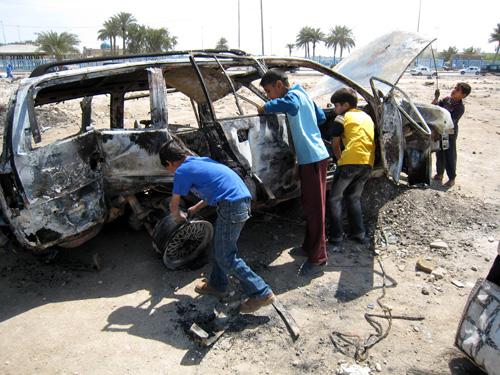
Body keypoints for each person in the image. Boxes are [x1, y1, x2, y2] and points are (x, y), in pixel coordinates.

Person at [159, 140, 275, 314]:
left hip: (232, 205)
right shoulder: (201, 161)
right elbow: (216, 188)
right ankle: (217, 285)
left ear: (170, 163)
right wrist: (196, 208)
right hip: (239, 200)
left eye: (167, 168)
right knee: (221, 247)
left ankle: (261, 293)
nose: (170, 171)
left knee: (226, 256)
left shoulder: (182, 170)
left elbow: (174, 204)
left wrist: (178, 216)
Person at [257, 68, 329, 276]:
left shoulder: (293, 97)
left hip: (313, 158)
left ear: (279, 85)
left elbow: (290, 104)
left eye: (269, 91)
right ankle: (308, 247)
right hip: (313, 157)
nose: (269, 96)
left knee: (316, 210)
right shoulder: (304, 94)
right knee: (309, 206)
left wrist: (266, 107)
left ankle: (318, 258)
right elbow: (321, 117)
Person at [327, 88, 375, 246]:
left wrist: (339, 159)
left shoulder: (342, 117)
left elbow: (335, 143)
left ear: (345, 105)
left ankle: (336, 236)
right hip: (368, 162)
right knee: (353, 197)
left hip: (350, 162)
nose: (334, 109)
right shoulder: (366, 116)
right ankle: (359, 233)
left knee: (335, 198)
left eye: (336, 105)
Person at [432, 82, 471, 188]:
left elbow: (450, 123)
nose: (454, 90)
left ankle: (452, 178)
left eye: (458, 90)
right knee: (439, 153)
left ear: (463, 95)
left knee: (449, 154)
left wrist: (439, 132)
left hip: (449, 133)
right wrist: (436, 98)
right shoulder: (446, 100)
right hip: (440, 130)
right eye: (455, 88)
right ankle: (440, 174)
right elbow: (433, 108)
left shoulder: (460, 108)